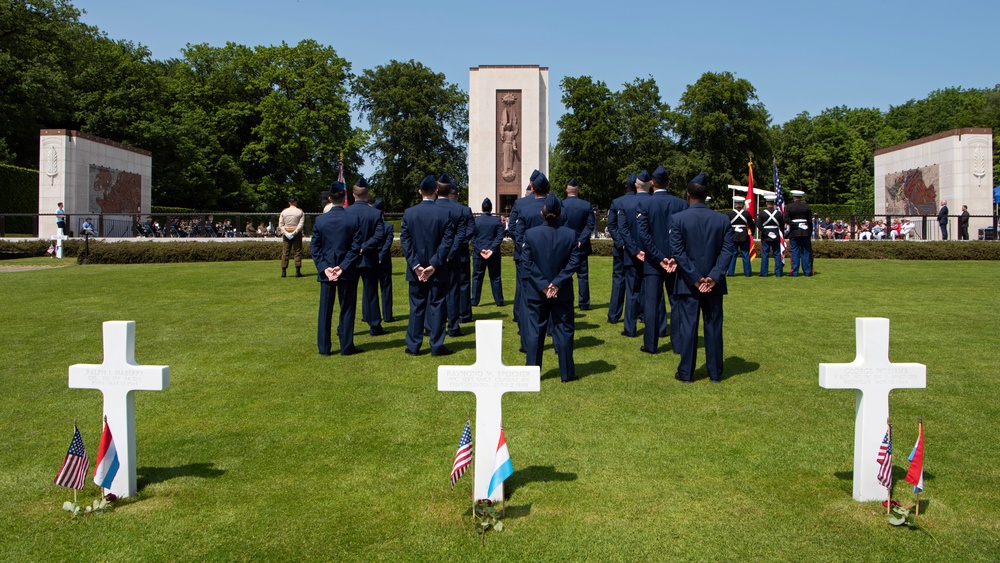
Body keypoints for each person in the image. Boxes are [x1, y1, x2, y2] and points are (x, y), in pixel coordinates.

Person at [669, 173, 734, 383]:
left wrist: (696, 278)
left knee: (688, 328)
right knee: (713, 327)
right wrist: (713, 277)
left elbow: (678, 252)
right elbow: (727, 251)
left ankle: (686, 373)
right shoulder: (722, 219)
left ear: (688, 195)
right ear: (706, 196)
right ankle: (715, 372)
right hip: (711, 283)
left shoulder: (678, 218)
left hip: (688, 283)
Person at [521, 193, 582, 382]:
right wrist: (556, 283)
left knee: (535, 332)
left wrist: (544, 285)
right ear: (560, 213)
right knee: (564, 330)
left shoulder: (531, 234)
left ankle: (531, 373)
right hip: (561, 291)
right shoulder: (571, 234)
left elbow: (527, 263)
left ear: (542, 213)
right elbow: (574, 263)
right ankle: (567, 373)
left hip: (538, 291)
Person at [400, 174, 456, 357]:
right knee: (438, 306)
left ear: (419, 192)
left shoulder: (409, 213)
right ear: (436, 191)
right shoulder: (444, 213)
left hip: (417, 269)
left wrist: (416, 265)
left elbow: (405, 242)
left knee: (417, 307)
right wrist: (434, 265)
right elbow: (447, 242)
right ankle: (436, 345)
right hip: (437, 270)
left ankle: (414, 345)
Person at [636, 165, 687, 354]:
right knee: (676, 303)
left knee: (651, 304)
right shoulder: (681, 204)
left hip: (653, 263)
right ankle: (678, 344)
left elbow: (644, 235)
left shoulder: (645, 204)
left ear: (651, 183)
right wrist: (672, 257)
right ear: (669, 183)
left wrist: (659, 258)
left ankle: (651, 344)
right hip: (675, 262)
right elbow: (683, 235)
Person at [310, 181, 364, 356]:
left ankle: (324, 347)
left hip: (328, 272)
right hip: (346, 271)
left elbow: (315, 248)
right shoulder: (353, 219)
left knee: (325, 310)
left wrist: (325, 268)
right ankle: (346, 346)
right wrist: (342, 267)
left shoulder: (320, 220)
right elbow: (355, 247)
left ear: (330, 198)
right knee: (347, 308)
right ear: (344, 198)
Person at [513, 171, 552, 352]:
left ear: (532, 188)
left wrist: (525, 251)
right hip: (551, 259)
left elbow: (516, 231)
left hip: (527, 260)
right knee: (552, 297)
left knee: (527, 301)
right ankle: (551, 334)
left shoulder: (522, 206)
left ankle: (527, 342)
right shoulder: (555, 205)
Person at [347, 176, 388, 336]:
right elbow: (379, 236)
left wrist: (355, 248)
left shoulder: (346, 211)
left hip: (350, 258)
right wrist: (364, 247)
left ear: (353, 194)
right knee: (371, 293)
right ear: (367, 193)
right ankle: (375, 325)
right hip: (369, 257)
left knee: (348, 295)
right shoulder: (375, 213)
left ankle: (344, 326)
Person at [618, 170, 652, 338]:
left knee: (632, 292)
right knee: (653, 293)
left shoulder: (625, 204)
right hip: (652, 255)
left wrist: (634, 250)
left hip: (632, 254)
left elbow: (623, 230)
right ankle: (654, 325)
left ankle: (630, 328)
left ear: (636, 186)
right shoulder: (655, 203)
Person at [434, 174, 466, 337]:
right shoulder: (459, 209)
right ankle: (453, 326)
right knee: (453, 292)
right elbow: (460, 235)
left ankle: (430, 326)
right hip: (451, 258)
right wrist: (450, 253)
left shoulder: (431, 208)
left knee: (433, 293)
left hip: (434, 258)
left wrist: (439, 256)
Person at [560, 178, 595, 310]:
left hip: (565, 245)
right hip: (582, 245)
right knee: (583, 276)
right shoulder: (586, 205)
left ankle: (564, 301)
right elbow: (590, 225)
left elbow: (560, 224)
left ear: (566, 190)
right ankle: (584, 303)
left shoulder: (561, 205)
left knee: (564, 274)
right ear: (578, 190)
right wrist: (581, 239)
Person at [606, 174, 636, 324]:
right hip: (638, 249)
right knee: (637, 283)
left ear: (626, 186)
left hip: (621, 248)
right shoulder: (643, 201)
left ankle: (614, 315)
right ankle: (639, 314)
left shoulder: (617, 202)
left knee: (618, 280)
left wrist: (620, 242)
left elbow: (611, 226)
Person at [447, 181, 475, 322]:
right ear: (458, 194)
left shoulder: (441, 207)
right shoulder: (465, 210)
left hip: (444, 253)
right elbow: (470, 230)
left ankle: (447, 313)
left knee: (445, 285)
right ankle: (464, 314)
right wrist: (460, 243)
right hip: (461, 252)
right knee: (463, 284)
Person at [507, 182, 534, 324]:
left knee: (521, 285)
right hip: (540, 251)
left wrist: (521, 244)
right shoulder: (546, 202)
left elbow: (512, 227)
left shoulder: (519, 203)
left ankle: (519, 315)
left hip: (522, 251)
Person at [472, 197, 505, 307]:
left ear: (482, 208)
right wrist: (491, 249)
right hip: (493, 253)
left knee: (477, 277)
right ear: (491, 209)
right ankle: (499, 300)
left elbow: (473, 237)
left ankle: (475, 301)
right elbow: (500, 236)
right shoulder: (497, 220)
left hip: (479, 253)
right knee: (495, 277)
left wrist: (480, 249)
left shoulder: (476, 221)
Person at [373, 200, 395, 322]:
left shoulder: (371, 226)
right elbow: (387, 244)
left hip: (371, 259)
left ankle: (369, 315)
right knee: (386, 288)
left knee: (371, 289)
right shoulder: (388, 226)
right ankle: (387, 315)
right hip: (384, 260)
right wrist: (381, 256)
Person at [783, 190, 812, 276]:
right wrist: (809, 231)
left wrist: (795, 225)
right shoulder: (806, 207)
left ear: (793, 197)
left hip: (794, 231)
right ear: (800, 197)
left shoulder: (789, 207)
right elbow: (809, 221)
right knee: (806, 251)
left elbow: (786, 219)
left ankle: (794, 272)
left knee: (794, 251)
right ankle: (807, 271)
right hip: (805, 231)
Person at [756, 194, 784, 277]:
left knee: (765, 254)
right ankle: (778, 273)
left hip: (766, 236)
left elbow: (758, 225)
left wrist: (766, 232)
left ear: (766, 203)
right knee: (777, 254)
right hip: (776, 234)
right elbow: (782, 226)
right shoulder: (778, 213)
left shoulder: (762, 213)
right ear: (774, 202)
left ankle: (764, 273)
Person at [278, 196, 305, 278]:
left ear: (289, 203)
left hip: (286, 232)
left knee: (285, 252)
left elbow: (281, 224)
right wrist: (294, 233)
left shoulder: (284, 212)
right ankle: (297, 271)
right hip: (296, 232)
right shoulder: (300, 212)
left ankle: (284, 271)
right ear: (296, 202)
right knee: (297, 251)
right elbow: (301, 224)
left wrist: (286, 233)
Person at [726, 196, 753, 277]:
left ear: (735, 204)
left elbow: (727, 226)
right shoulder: (746, 214)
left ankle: (731, 272)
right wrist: (753, 234)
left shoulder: (730, 214)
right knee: (745, 254)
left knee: (733, 254)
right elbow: (751, 225)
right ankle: (747, 273)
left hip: (733, 235)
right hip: (744, 235)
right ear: (741, 204)